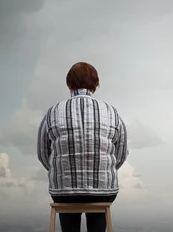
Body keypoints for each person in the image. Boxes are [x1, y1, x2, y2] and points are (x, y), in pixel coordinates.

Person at [37, 62, 129, 232]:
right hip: (103, 191)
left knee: (67, 202)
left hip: (64, 191)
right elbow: (121, 154)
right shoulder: (112, 112)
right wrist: (105, 169)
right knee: (100, 205)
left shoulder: (52, 112)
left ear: (69, 84)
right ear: (95, 85)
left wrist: (61, 171)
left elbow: (43, 154)